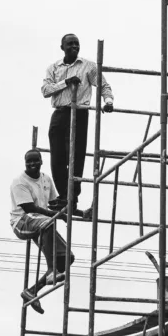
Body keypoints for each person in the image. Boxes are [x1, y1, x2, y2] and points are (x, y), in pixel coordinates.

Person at [41, 33, 114, 213]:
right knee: (57, 157)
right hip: (60, 113)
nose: (74, 47)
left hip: (80, 113)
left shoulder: (88, 66)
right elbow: (45, 90)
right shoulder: (54, 68)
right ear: (62, 47)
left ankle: (72, 197)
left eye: (77, 44)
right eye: (70, 44)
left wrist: (109, 101)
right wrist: (66, 83)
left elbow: (104, 85)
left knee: (76, 156)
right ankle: (65, 195)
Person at [9, 149, 75, 313]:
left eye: (35, 161)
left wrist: (79, 212)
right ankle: (52, 271)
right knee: (48, 222)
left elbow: (55, 205)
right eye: (28, 162)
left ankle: (31, 291)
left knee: (67, 258)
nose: (32, 164)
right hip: (22, 222)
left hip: (42, 223)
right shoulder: (19, 182)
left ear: (41, 161)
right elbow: (29, 207)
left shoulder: (46, 179)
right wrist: (55, 216)